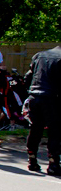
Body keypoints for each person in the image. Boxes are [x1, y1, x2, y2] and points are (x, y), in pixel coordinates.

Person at [25, 44, 61, 175]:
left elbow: (28, 76)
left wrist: (29, 93)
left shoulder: (39, 55)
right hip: (51, 97)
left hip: (35, 95)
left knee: (35, 128)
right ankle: (53, 162)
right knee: (55, 130)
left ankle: (32, 159)